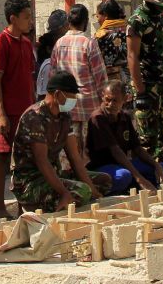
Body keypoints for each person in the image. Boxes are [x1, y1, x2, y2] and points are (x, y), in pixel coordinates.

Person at [11, 70, 111, 211]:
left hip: (54, 175)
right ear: (58, 94)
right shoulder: (34, 117)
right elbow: (42, 161)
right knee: (82, 191)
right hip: (31, 183)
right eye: (71, 96)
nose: (74, 101)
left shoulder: (64, 117)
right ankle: (38, 206)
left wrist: (95, 192)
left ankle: (66, 200)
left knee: (104, 181)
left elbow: (75, 158)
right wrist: (64, 192)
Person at [0, 0, 36, 221]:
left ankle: (21, 205)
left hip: (26, 111)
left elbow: (29, 76)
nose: (30, 21)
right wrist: (1, 114)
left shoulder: (26, 43)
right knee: (3, 156)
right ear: (13, 18)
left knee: (23, 159)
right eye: (26, 17)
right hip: (7, 112)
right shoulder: (1, 43)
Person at [128, 0, 163, 164]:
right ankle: (148, 173)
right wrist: (140, 91)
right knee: (147, 135)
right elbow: (132, 56)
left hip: (162, 82)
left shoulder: (161, 20)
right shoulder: (137, 21)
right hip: (146, 83)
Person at [88, 81, 163, 194]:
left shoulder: (125, 117)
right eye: (107, 99)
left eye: (115, 100)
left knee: (162, 167)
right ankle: (133, 184)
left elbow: (137, 148)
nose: (110, 104)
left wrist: (155, 165)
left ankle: (135, 184)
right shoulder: (98, 118)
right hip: (104, 167)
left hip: (124, 164)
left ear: (125, 99)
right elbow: (116, 151)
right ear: (102, 96)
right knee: (123, 176)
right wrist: (139, 178)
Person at [50, 4, 109, 140]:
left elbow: (52, 76)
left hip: (66, 105)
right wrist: (104, 102)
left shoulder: (59, 43)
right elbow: (100, 77)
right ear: (86, 22)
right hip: (89, 106)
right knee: (89, 150)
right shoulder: (89, 43)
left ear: (68, 22)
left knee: (70, 151)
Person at [95, 0, 130, 85]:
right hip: (131, 79)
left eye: (97, 16)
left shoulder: (101, 35)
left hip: (110, 82)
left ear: (105, 16)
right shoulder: (130, 30)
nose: (98, 20)